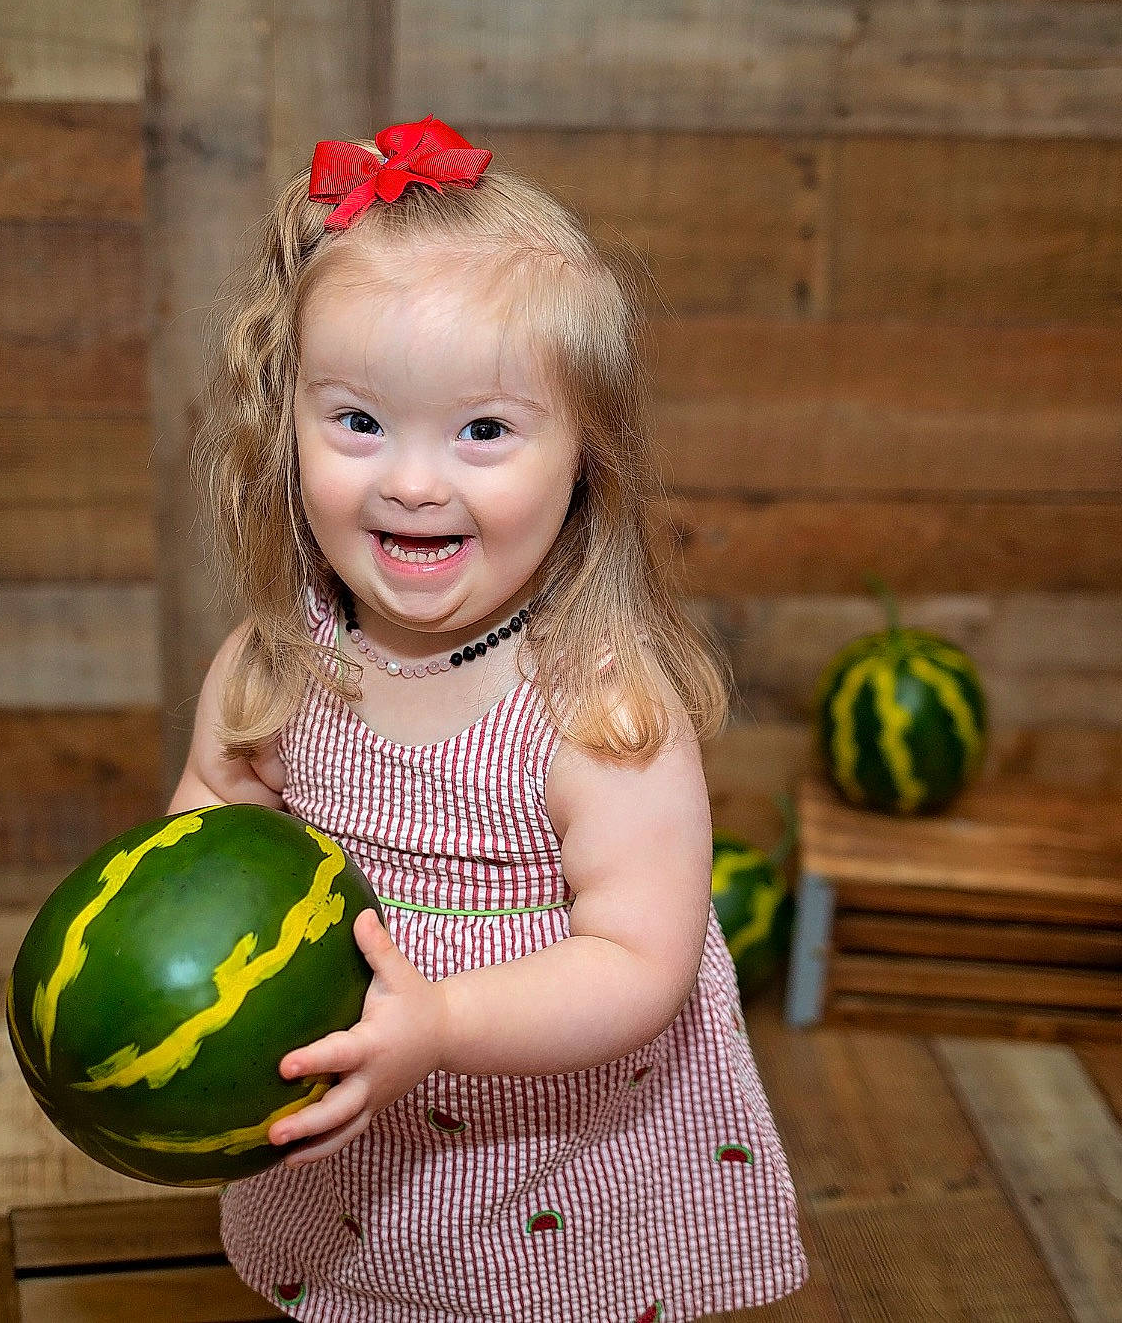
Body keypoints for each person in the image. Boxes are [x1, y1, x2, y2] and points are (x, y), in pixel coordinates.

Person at [165, 116, 809, 1321]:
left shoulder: (601, 713)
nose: (413, 480)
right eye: (358, 421)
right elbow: (211, 820)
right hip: (354, 1151)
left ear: (583, 462)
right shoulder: (273, 663)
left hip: (553, 1166)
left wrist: (446, 1019)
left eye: (483, 430)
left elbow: (639, 962)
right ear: (286, 423)